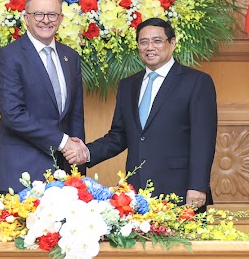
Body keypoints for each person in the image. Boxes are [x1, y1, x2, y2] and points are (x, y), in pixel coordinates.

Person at [67, 17, 218, 210]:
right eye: (143, 42)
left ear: (172, 43)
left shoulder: (196, 82)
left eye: (157, 41)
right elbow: (119, 136)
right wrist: (86, 153)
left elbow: (203, 139)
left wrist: (198, 186)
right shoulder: (128, 85)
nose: (149, 47)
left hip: (180, 192)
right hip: (136, 193)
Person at [0, 0, 86, 192]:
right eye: (38, 14)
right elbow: (13, 115)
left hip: (63, 171)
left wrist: (77, 163)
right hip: (21, 170)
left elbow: (75, 115)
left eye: (52, 15)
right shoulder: (10, 56)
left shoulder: (70, 57)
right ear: (26, 18)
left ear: (60, 19)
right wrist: (63, 142)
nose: (45, 20)